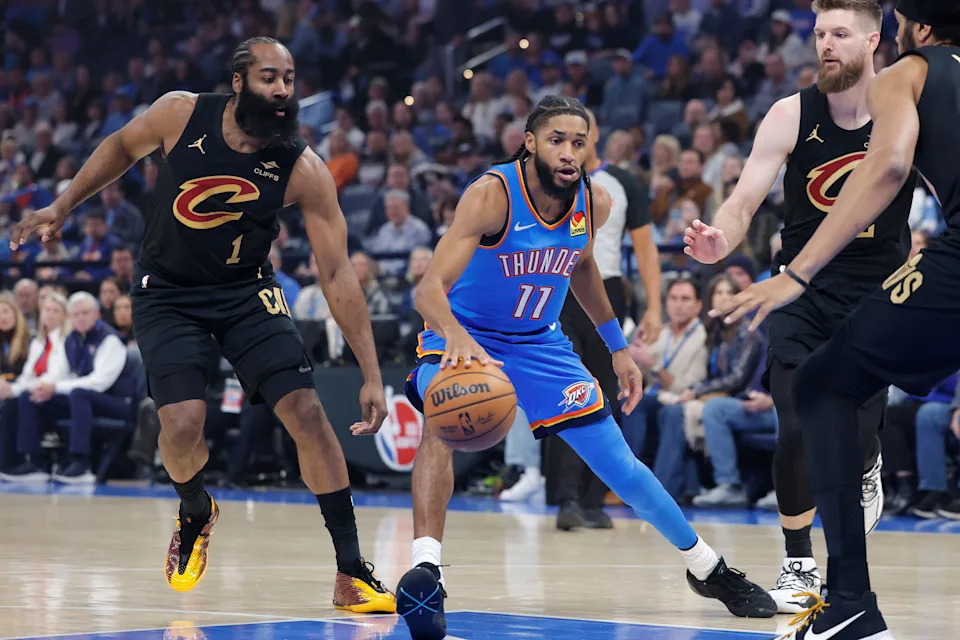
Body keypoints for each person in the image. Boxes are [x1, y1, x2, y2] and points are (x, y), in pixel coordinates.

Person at [10, 37, 395, 613]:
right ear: (239, 82)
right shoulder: (181, 113)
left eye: (289, 79)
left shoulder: (303, 167)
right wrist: (61, 207)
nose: (283, 90)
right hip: (167, 293)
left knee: (308, 413)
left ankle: (351, 572)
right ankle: (195, 508)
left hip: (245, 291)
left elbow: (337, 272)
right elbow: (118, 148)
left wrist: (370, 372)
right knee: (184, 426)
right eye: (270, 77)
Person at [394, 96, 775, 640]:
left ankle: (707, 567)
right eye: (557, 140)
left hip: (540, 343)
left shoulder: (594, 202)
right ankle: (426, 571)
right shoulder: (491, 195)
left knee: (618, 461)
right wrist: (455, 337)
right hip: (466, 336)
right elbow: (428, 289)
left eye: (579, 141)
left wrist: (617, 346)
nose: (570, 151)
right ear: (530, 142)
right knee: (443, 424)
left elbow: (583, 269)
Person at [709, 2, 960, 638]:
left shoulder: (908, 78)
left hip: (874, 280)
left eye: (839, 32)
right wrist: (725, 238)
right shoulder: (792, 113)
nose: (824, 44)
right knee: (800, 408)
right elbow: (744, 199)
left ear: (889, 36)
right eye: (818, 32)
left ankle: (852, 597)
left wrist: (793, 272)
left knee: (837, 402)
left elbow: (896, 171)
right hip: (808, 295)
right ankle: (803, 565)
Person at [549, 108, 663, 530]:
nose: (572, 144)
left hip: (608, 291)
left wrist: (653, 305)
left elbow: (647, 249)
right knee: (567, 392)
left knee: (607, 395)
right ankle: (565, 499)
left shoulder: (621, 182)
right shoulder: (549, 181)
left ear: (593, 136)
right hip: (561, 290)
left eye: (581, 134)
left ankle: (596, 499)